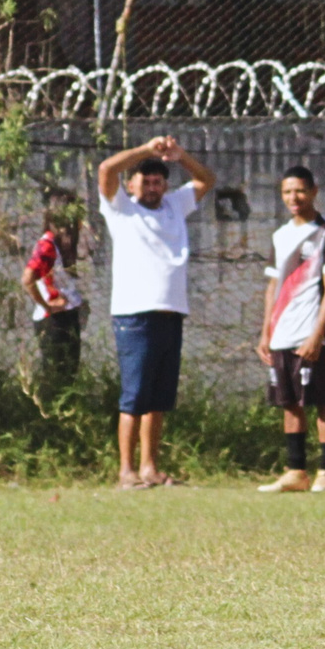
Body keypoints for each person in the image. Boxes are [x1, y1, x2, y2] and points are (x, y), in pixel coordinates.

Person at [96, 135, 216, 490]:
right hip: (134, 315)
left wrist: (181, 157)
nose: (151, 186)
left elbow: (206, 180)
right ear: (132, 184)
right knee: (134, 396)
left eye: (157, 180)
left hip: (171, 311)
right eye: (145, 180)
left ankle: (150, 467)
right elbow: (106, 169)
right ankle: (126, 471)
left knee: (158, 398)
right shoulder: (121, 208)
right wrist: (146, 150)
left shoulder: (174, 206)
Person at [256, 165, 325, 492]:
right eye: (287, 192)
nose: (293, 198)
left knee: (322, 400)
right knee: (289, 402)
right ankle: (295, 471)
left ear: (313, 191)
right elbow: (272, 287)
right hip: (281, 332)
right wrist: (266, 331)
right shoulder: (280, 236)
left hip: (311, 332)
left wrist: (317, 334)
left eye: (299, 191)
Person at [21, 189, 87, 397]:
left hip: (68, 316)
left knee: (69, 378)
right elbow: (28, 278)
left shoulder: (66, 244)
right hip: (53, 320)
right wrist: (47, 305)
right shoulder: (47, 245)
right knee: (55, 379)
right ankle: (48, 421)